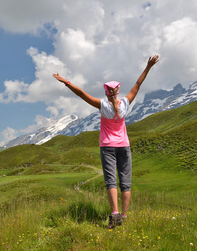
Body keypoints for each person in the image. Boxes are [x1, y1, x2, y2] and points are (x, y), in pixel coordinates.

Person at [52, 55, 160, 228]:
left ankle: (115, 214)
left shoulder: (102, 106)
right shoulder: (125, 103)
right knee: (126, 182)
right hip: (124, 146)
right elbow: (138, 85)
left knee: (111, 181)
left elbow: (81, 94)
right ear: (118, 92)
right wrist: (148, 67)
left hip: (108, 147)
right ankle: (124, 216)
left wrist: (66, 82)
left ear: (106, 93)